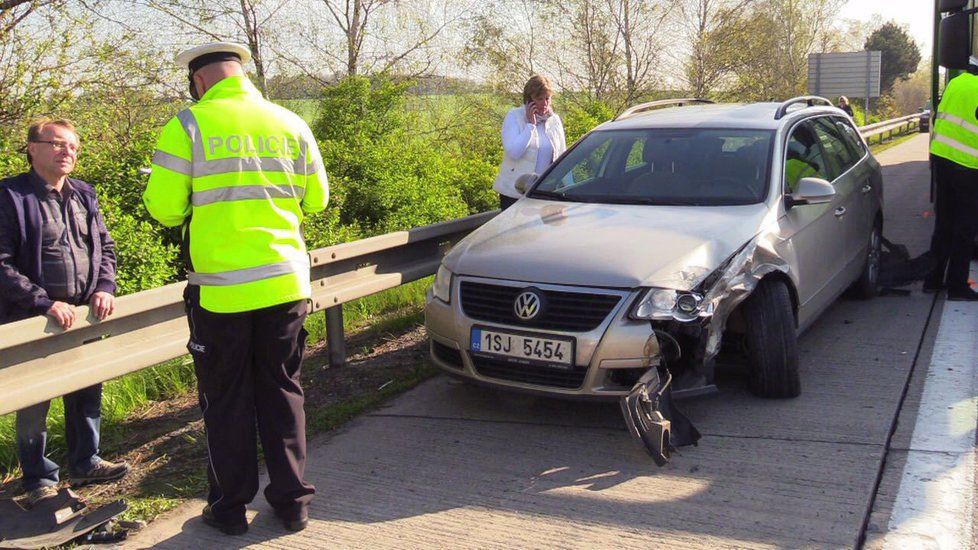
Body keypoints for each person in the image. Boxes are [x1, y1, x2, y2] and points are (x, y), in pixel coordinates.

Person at [143, 42, 329, 536]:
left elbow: (162, 208)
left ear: (199, 80)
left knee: (226, 400)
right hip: (285, 286)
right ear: (241, 74)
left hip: (222, 295)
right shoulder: (290, 122)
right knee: (283, 390)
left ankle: (229, 509)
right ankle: (292, 504)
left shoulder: (188, 125)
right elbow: (319, 199)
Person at [0, 118, 129, 506]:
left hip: (83, 315)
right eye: (56, 144)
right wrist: (43, 302)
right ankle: (37, 477)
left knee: (86, 388)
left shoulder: (83, 194)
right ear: (32, 148)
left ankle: (86, 461)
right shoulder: (10, 196)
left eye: (72, 146)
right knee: (35, 400)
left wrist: (104, 288)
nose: (66, 152)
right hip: (33, 320)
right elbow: (2, 262)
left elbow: (104, 248)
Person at [923, 70, 978, 301]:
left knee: (944, 223)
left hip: (942, 160)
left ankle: (933, 280)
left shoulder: (957, 82)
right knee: (965, 229)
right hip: (967, 165)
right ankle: (957, 286)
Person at [493, 75, 566, 209]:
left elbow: (562, 156)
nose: (544, 103)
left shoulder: (554, 120)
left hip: (544, 193)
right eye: (539, 99)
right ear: (529, 100)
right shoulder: (514, 116)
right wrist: (530, 125)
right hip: (514, 194)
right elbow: (514, 152)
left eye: (547, 98)